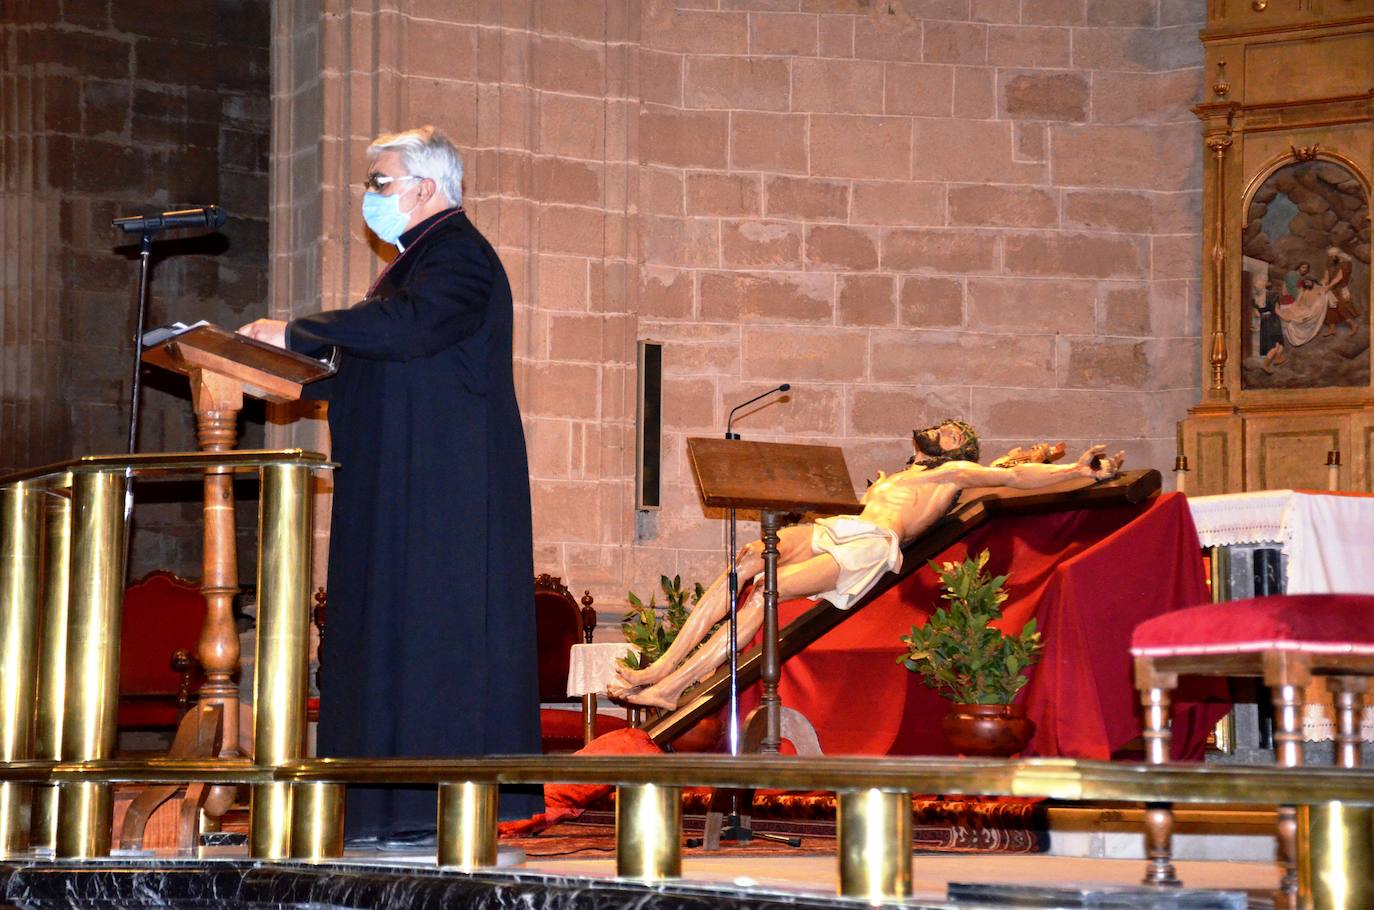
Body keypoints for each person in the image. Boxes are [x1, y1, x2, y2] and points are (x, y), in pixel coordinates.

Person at [239, 125, 540, 842]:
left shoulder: (460, 255)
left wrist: (300, 333)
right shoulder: (419, 261)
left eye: (379, 182)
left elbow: (410, 328)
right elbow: (384, 346)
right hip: (404, 491)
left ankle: (426, 812)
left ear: (426, 188)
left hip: (446, 502)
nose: (367, 196)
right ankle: (385, 810)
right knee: (388, 642)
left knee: (432, 648)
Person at [611, 421, 1124, 710]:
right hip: (843, 527)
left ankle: (674, 689)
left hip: (871, 545)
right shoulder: (896, 477)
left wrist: (1080, 472)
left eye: (950, 431)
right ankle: (660, 668)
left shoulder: (955, 474)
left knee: (767, 593)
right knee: (745, 562)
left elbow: (1015, 480)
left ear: (960, 449)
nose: (940, 429)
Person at [1321, 247, 1358, 337]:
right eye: (1329, 256)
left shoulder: (1345, 263)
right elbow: (1326, 276)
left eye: (1331, 256)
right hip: (1331, 289)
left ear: (1337, 255)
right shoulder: (1329, 263)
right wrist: (1323, 283)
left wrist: (1328, 286)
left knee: (1342, 307)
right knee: (1329, 308)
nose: (1329, 258)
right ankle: (1332, 329)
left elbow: (1339, 277)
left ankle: (1354, 325)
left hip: (1340, 288)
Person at [1253, 276, 1285, 373]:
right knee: (1275, 345)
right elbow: (1277, 310)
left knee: (1279, 342)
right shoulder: (1274, 295)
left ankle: (1278, 358)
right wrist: (1288, 318)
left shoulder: (1256, 297)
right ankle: (1265, 364)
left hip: (1264, 321)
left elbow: (1257, 314)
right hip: (1273, 321)